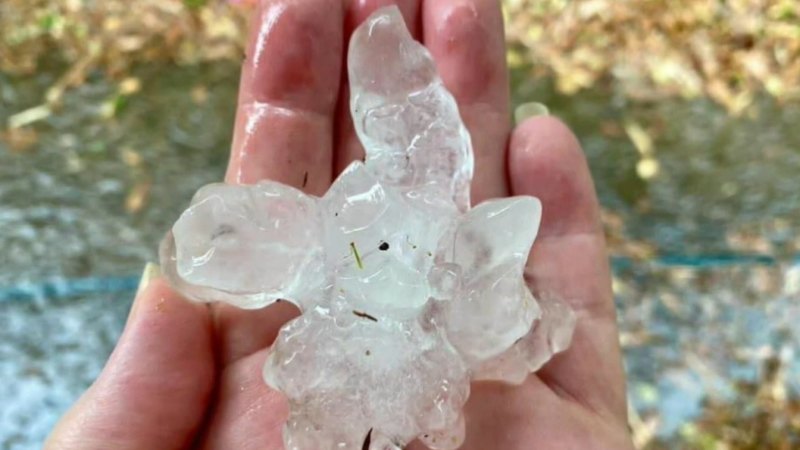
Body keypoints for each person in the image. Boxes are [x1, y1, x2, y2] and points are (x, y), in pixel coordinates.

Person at [45, 1, 634, 448]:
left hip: (444, 293)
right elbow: (210, 246)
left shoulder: (400, 238)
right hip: (409, 298)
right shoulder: (318, 258)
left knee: (512, 323)